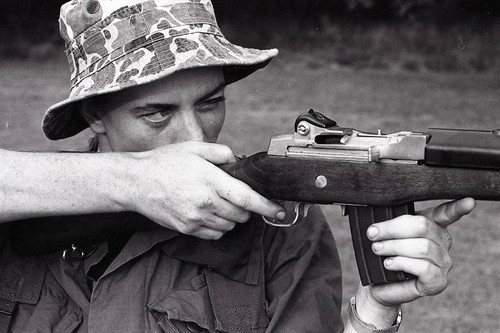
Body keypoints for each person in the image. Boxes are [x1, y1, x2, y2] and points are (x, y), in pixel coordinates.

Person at [0, 0, 476, 332]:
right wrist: (135, 182)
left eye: (210, 103)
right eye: (156, 113)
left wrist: (373, 309)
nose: (193, 137)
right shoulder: (24, 210)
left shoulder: (283, 226)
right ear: (93, 115)